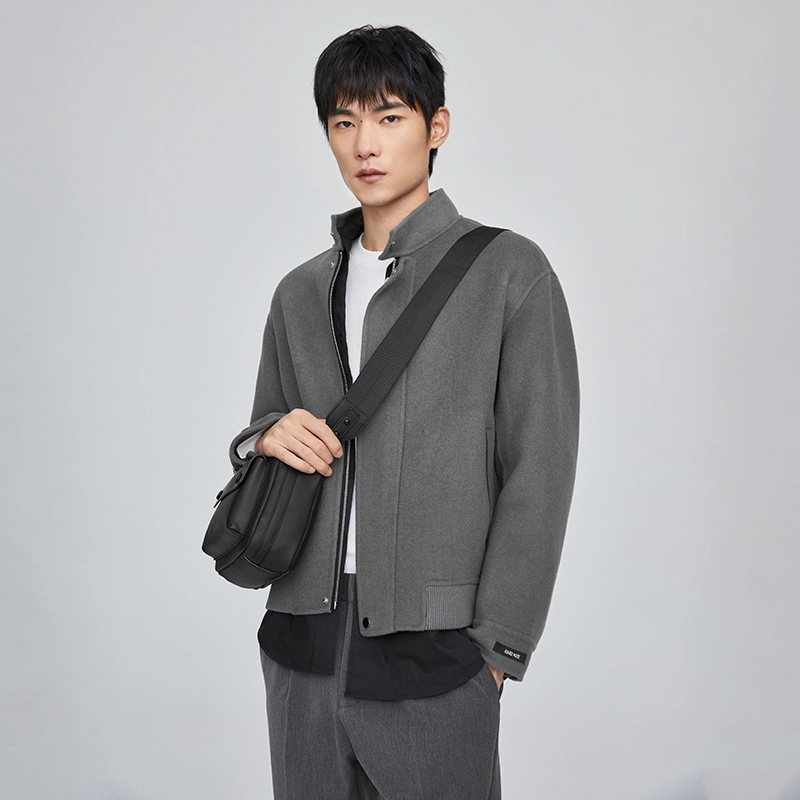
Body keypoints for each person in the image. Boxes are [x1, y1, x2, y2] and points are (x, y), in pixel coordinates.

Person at [227, 23, 580, 800]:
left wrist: (496, 652)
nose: (366, 144)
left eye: (389, 117)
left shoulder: (510, 273)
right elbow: (260, 428)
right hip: (301, 646)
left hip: (439, 656)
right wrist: (265, 436)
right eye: (344, 122)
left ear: (436, 126)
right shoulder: (299, 291)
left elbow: (540, 469)